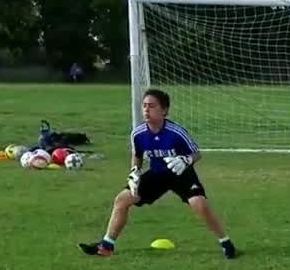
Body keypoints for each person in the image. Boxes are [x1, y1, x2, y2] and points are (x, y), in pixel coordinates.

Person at [79, 88, 237, 259]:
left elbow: (197, 153)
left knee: (199, 204)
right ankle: (106, 246)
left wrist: (186, 160)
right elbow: (137, 155)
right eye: (144, 106)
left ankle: (226, 242)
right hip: (157, 174)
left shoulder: (176, 132)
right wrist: (134, 172)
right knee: (122, 199)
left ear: (164, 110)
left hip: (180, 173)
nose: (147, 110)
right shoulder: (138, 133)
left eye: (152, 106)